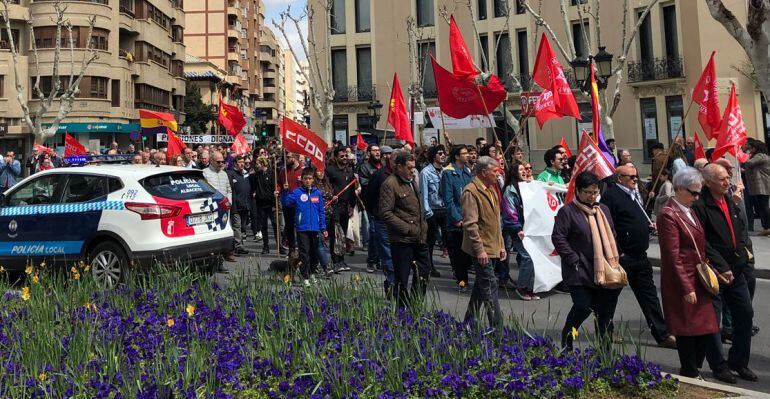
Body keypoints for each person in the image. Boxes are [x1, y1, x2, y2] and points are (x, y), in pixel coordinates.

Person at [657, 167, 735, 383]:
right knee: (687, 329)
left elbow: (699, 249)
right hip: (683, 279)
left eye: (699, 193)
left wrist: (717, 272)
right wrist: (686, 287)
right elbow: (672, 256)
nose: (697, 197)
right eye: (693, 193)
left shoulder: (690, 211)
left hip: (699, 277)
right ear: (679, 189)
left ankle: (694, 369)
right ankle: (690, 371)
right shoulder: (669, 214)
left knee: (707, 327)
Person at [692, 164, 757, 382]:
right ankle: (719, 366)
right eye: (721, 178)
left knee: (745, 313)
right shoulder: (700, 205)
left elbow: (739, 232)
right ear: (708, 182)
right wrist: (721, 267)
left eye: (727, 177)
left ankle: (739, 362)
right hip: (715, 273)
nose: (726, 181)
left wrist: (741, 260)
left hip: (736, 271)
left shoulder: (730, 200)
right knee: (714, 321)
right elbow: (703, 242)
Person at [601, 163, 676, 348]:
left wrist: (647, 226)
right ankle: (604, 333)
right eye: (631, 177)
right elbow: (607, 225)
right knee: (610, 298)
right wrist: (616, 251)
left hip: (640, 256)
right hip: (622, 257)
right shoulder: (611, 196)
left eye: (636, 177)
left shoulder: (633, 194)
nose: (636, 180)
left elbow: (637, 216)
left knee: (649, 296)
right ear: (619, 178)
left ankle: (662, 333)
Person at [552, 171, 622, 349]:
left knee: (604, 314)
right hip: (580, 271)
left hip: (604, 270)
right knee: (583, 307)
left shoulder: (603, 210)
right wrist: (573, 258)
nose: (592, 196)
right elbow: (559, 238)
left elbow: (612, 233)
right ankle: (568, 338)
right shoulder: (567, 212)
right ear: (578, 191)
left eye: (595, 192)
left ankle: (604, 353)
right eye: (587, 192)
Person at [379, 152, 430, 308]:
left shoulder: (412, 180)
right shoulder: (390, 184)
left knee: (423, 272)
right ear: (399, 167)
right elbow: (386, 213)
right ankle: (402, 310)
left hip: (419, 237)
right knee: (402, 277)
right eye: (409, 168)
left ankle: (415, 303)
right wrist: (407, 229)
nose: (412, 171)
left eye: (413, 168)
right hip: (402, 240)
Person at [462, 156, 506, 326]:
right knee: (490, 286)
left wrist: (501, 244)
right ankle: (497, 328)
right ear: (483, 172)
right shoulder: (471, 191)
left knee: (481, 286)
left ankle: (468, 322)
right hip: (482, 249)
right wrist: (479, 250)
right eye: (495, 171)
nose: (498, 174)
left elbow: (495, 221)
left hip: (492, 246)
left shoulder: (491, 189)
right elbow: (471, 224)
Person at [283, 167, 327, 286]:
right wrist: (285, 191)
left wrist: (323, 227)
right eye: (305, 178)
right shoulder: (297, 192)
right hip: (302, 229)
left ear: (313, 180)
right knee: (304, 254)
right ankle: (305, 276)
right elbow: (286, 202)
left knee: (314, 254)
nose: (308, 181)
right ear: (302, 179)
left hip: (315, 228)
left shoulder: (317, 193)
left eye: (310, 178)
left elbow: (321, 212)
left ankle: (312, 273)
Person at [502, 161, 537, 300]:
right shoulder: (510, 190)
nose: (524, 172)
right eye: (520, 169)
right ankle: (521, 287)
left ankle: (531, 287)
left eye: (525, 169)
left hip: (530, 229)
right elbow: (510, 212)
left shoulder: (528, 187)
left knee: (534, 258)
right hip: (517, 229)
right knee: (527, 257)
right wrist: (517, 228)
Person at [440, 145, 473, 290]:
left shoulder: (467, 171)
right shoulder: (448, 173)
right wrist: (457, 218)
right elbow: (448, 199)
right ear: (457, 157)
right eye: (464, 153)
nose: (468, 156)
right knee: (459, 254)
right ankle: (462, 281)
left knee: (469, 253)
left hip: (469, 217)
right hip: (456, 222)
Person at [366, 146, 396, 295]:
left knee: (397, 253)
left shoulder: (405, 177)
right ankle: (392, 284)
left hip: (399, 222)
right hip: (382, 220)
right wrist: (375, 212)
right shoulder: (379, 175)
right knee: (387, 253)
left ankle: (396, 281)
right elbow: (369, 195)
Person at [325, 147, 355, 272]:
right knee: (335, 234)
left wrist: (352, 205)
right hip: (335, 206)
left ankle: (342, 259)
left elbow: (352, 190)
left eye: (345, 156)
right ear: (336, 157)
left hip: (345, 206)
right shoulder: (331, 170)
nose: (344, 158)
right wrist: (331, 195)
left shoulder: (349, 171)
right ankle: (335, 260)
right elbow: (326, 185)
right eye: (341, 156)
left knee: (343, 234)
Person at [203, 151, 234, 267]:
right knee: (213, 237)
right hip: (213, 210)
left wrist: (228, 201)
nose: (221, 164)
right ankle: (212, 262)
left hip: (225, 209)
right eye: (218, 162)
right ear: (211, 161)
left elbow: (229, 190)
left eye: (222, 161)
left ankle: (220, 260)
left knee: (223, 236)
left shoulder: (224, 174)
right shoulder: (205, 173)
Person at [420, 145, 446, 279]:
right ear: (433, 156)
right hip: (432, 210)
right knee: (430, 240)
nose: (443, 155)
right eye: (440, 153)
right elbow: (423, 193)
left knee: (448, 240)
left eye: (444, 153)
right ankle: (429, 266)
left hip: (444, 209)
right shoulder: (425, 172)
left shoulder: (445, 171)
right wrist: (427, 212)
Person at [357, 144, 382, 273]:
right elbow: (365, 184)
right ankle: (371, 260)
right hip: (372, 205)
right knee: (373, 232)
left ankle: (379, 260)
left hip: (384, 205)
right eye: (374, 150)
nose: (377, 153)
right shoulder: (365, 168)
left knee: (383, 234)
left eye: (378, 150)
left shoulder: (383, 166)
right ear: (368, 153)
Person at [250, 156, 278, 254]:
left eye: (258, 164)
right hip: (261, 204)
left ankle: (279, 245)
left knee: (275, 225)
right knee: (264, 226)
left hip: (271, 203)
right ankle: (265, 246)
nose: (256, 166)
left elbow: (275, 187)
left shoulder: (271, 173)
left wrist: (275, 196)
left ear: (262, 164)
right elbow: (253, 186)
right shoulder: (257, 175)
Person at [743, 140, 770, 236]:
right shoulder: (763, 156)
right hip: (762, 185)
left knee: (764, 207)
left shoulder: (760, 156)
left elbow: (749, 163)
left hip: (762, 185)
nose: (750, 150)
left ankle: (767, 227)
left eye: (751, 148)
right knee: (762, 207)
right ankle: (766, 227)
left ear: (756, 148)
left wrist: (745, 155)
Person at [279, 153, 303, 255]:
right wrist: (278, 189)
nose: (286, 159)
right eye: (285, 157)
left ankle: (301, 248)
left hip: (300, 204)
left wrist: (302, 181)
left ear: (295, 157)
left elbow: (311, 184)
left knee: (300, 226)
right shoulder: (283, 171)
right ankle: (292, 248)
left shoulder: (303, 170)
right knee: (289, 227)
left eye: (288, 157)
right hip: (287, 202)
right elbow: (279, 182)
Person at [228, 155, 252, 256]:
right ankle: (238, 246)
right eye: (240, 162)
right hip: (236, 205)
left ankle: (237, 243)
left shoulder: (246, 174)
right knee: (237, 225)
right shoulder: (231, 174)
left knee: (243, 226)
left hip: (245, 205)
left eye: (243, 162)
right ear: (235, 164)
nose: (242, 164)